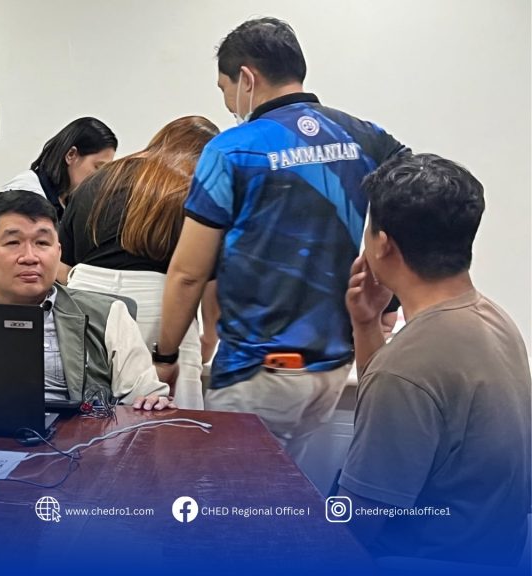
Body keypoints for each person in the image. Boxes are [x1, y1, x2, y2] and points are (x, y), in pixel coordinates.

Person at [156, 18, 408, 463]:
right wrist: (390, 301)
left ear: (247, 78)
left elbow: (188, 273)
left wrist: (167, 354)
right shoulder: (363, 136)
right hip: (332, 369)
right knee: (295, 492)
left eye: (224, 89)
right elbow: (413, 197)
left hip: (258, 371)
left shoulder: (232, 150)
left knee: (237, 497)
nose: (228, 103)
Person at [338, 153, 530, 566]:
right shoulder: (493, 320)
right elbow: (402, 417)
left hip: (419, 561)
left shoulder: (408, 367)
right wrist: (367, 325)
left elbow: (353, 526)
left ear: (383, 244)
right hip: (493, 555)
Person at [0, 190, 170, 409]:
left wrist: (151, 401)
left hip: (77, 437)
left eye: (42, 243)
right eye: (13, 243)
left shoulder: (109, 315)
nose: (29, 257)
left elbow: (144, 397)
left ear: (58, 252)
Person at [60, 116, 221, 409]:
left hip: (85, 302)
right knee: (172, 419)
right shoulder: (189, 188)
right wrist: (204, 339)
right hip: (160, 307)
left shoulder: (97, 180)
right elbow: (199, 277)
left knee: (90, 414)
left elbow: (63, 262)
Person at [0, 117, 118, 282]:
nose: (101, 178)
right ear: (71, 155)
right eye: (97, 167)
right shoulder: (24, 193)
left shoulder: (66, 200)